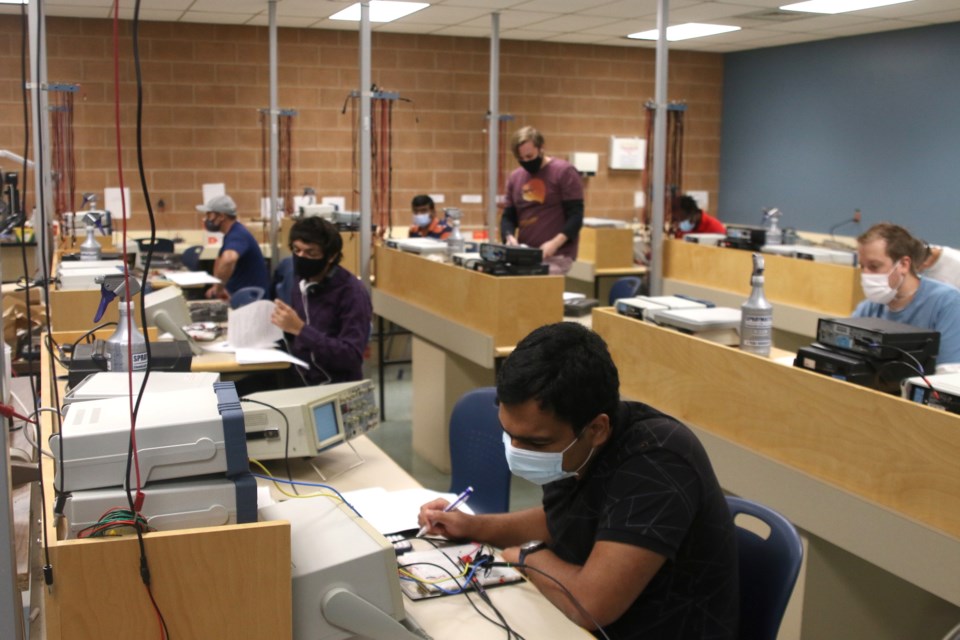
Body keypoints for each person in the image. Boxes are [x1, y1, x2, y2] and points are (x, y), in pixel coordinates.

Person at [417, 323, 739, 639]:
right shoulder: (576, 447)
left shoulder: (658, 459)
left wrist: (528, 556)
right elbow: (562, 520)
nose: (516, 451)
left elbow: (589, 604)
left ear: (597, 429)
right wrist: (471, 526)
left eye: (536, 443)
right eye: (508, 434)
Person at [270, 217, 372, 384]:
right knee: (226, 391)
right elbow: (296, 338)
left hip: (334, 386)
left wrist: (301, 330)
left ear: (331, 257)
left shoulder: (352, 292)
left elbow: (351, 356)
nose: (301, 257)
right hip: (300, 376)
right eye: (296, 250)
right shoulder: (301, 280)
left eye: (311, 253)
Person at [853, 222, 960, 368]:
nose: (866, 274)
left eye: (874, 266)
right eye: (862, 266)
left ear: (903, 264)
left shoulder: (946, 302)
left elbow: (948, 371)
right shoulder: (870, 307)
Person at [500, 126, 584, 275]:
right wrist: (509, 236)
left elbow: (576, 216)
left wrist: (555, 243)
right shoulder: (515, 177)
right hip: (526, 255)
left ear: (541, 148)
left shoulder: (564, 172)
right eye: (521, 159)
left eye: (530, 156)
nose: (526, 161)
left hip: (555, 256)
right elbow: (508, 216)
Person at [197, 194, 271, 301]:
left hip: (249, 302)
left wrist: (219, 289)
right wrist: (216, 286)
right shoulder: (232, 233)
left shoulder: (237, 235)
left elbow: (228, 259)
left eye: (209, 215)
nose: (206, 219)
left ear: (222, 216)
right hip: (240, 297)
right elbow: (221, 260)